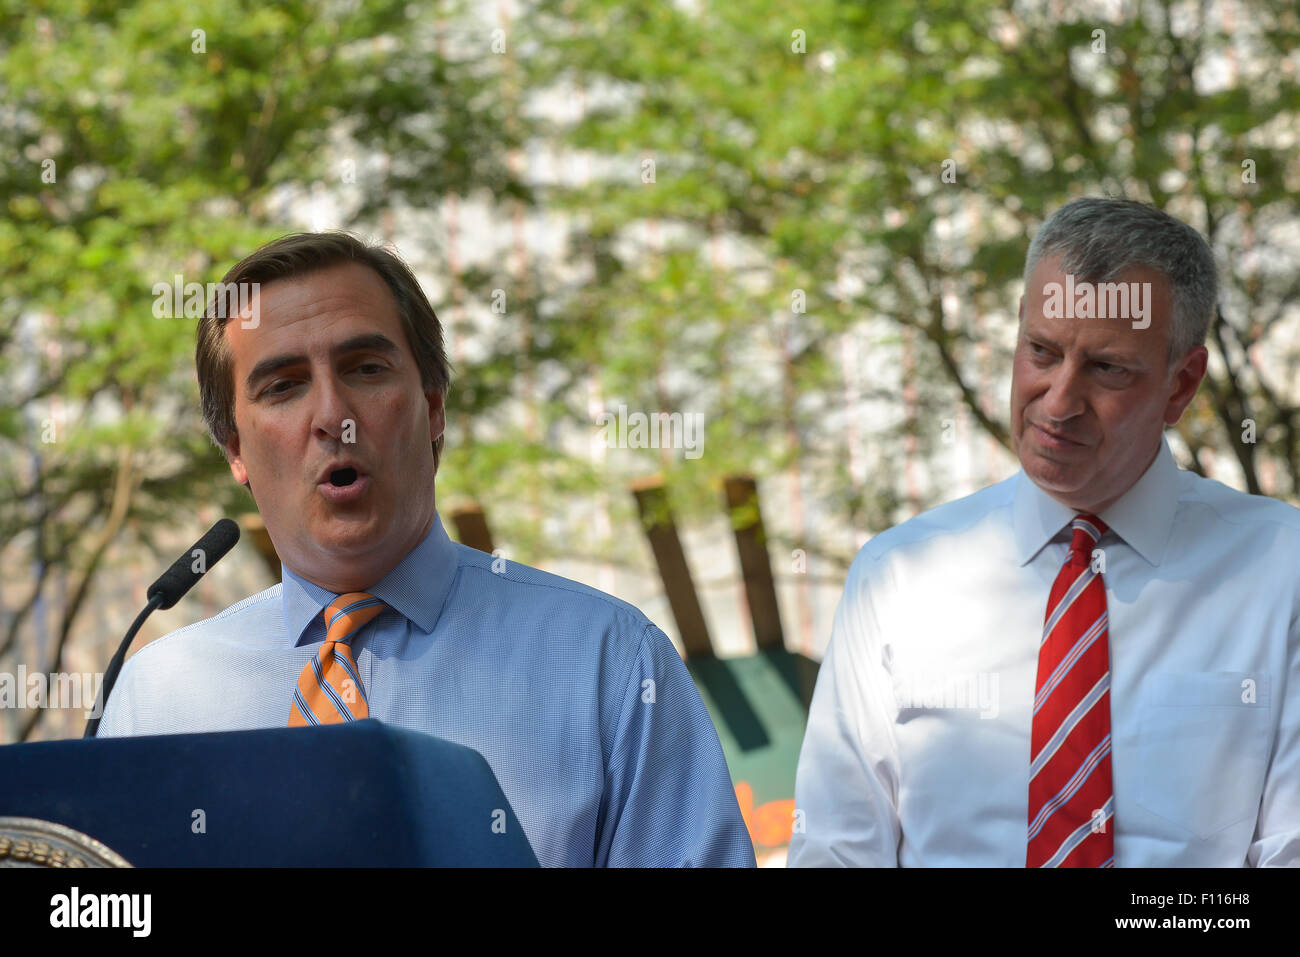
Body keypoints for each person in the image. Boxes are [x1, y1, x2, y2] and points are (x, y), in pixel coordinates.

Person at [98, 232, 755, 868]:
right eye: (284, 385)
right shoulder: (158, 700)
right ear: (237, 448)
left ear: (433, 407)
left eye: (366, 368)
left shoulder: (611, 664)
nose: (333, 413)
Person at [788, 198, 1299, 867]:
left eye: (1107, 368)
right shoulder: (896, 577)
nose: (1058, 402)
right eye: (1042, 351)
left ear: (1182, 384)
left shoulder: (1281, 569)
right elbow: (835, 851)